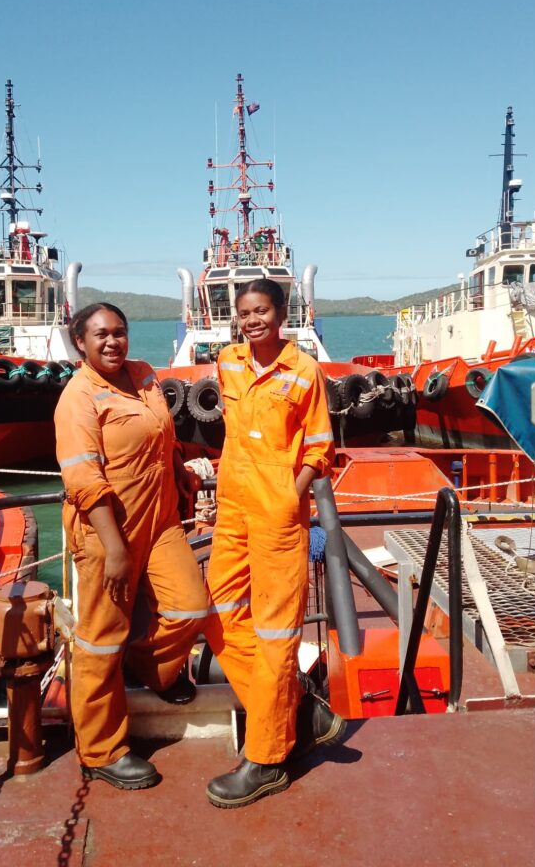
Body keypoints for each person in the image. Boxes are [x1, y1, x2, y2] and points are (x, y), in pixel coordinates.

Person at [202, 278, 346, 809]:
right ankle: (300, 708)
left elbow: (318, 445)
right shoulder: (229, 361)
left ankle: (265, 760)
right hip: (234, 509)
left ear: (282, 313)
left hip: (279, 515)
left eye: (261, 310)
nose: (252, 319)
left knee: (276, 632)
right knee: (216, 613)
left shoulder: (303, 371)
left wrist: (293, 494)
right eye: (244, 312)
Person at [55, 302, 208, 790]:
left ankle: (151, 669)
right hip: (107, 534)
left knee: (189, 607)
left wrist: (179, 470)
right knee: (100, 639)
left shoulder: (143, 376)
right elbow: (82, 476)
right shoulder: (78, 397)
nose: (112, 342)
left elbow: (160, 436)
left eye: (119, 332)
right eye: (100, 335)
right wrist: (115, 549)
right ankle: (100, 750)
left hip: (161, 520)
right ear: (80, 341)